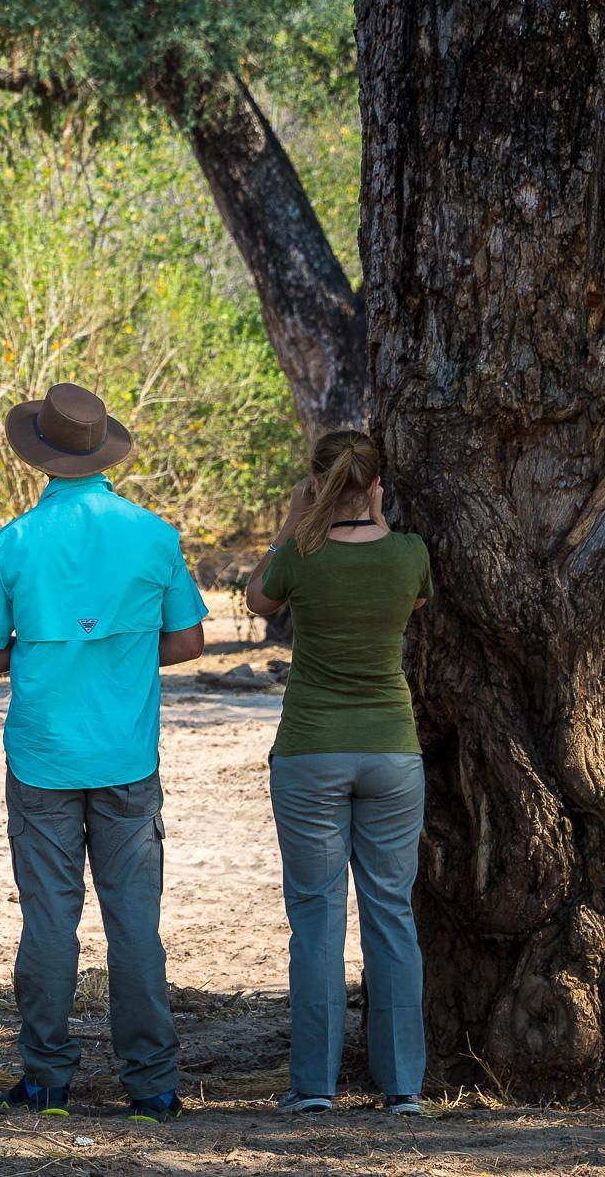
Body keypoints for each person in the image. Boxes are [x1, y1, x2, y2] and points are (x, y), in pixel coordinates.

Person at [0, 382, 206, 1124]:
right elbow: (190, 641)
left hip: (42, 759)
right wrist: (124, 651)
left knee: (48, 922)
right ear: (103, 452)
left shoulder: (14, 543)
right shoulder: (154, 535)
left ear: (39, 456)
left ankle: (45, 1080)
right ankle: (153, 1086)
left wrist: (31, 656)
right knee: (134, 926)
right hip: (128, 758)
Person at [244, 430, 431, 1118]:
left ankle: (314, 1087)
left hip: (310, 752)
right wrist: (373, 514)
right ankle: (403, 1086)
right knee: (391, 917)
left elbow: (258, 599)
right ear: (378, 482)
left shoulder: (300, 557)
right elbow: (406, 600)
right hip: (391, 751)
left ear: (318, 484)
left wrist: (298, 518)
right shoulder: (410, 554)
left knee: (317, 918)